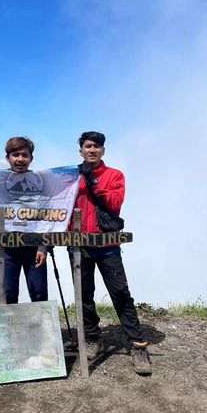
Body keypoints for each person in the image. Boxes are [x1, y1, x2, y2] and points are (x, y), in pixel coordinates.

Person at [70, 131, 151, 375]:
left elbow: (114, 204)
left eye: (96, 146)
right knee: (84, 295)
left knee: (120, 293)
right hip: (79, 244)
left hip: (107, 246)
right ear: (81, 150)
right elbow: (62, 206)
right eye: (87, 146)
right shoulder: (72, 176)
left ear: (103, 150)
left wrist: (92, 181)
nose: (92, 150)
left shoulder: (114, 175)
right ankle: (94, 338)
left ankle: (138, 345)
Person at [0, 137, 48, 304]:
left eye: (24, 155)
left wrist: (44, 247)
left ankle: (41, 329)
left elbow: (48, 215)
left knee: (39, 292)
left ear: (31, 158)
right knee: (8, 293)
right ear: (8, 158)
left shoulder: (40, 183)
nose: (20, 159)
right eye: (15, 155)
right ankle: (12, 330)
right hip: (7, 247)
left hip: (34, 247)